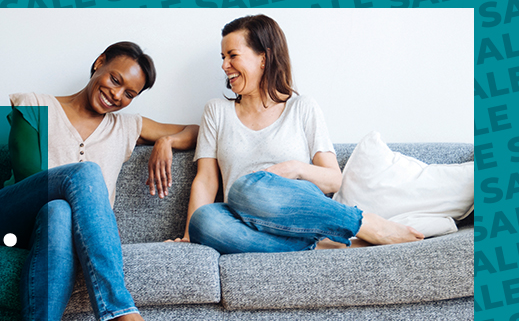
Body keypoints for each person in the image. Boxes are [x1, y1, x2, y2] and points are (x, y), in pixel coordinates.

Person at [0, 42, 201, 321]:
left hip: (57, 230)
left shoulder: (127, 125)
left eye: (129, 93)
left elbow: (197, 131)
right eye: (115, 79)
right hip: (9, 219)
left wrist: (165, 142)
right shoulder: (35, 105)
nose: (117, 95)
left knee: (60, 217)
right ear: (99, 64)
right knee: (75, 185)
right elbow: (35, 180)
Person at [168, 15, 424, 253]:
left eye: (233, 55)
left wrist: (295, 168)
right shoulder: (216, 111)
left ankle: (365, 224)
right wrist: (190, 235)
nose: (225, 65)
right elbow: (206, 180)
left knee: (244, 188)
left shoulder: (302, 107)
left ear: (263, 58)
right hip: (242, 221)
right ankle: (313, 246)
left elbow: (334, 179)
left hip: (295, 207)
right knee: (204, 220)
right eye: (223, 57)